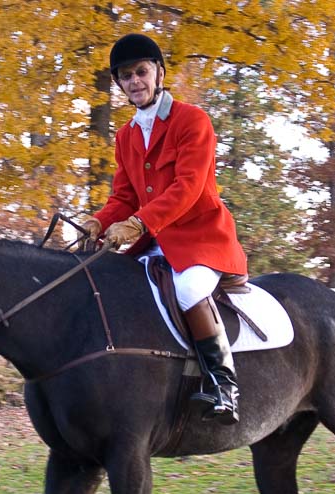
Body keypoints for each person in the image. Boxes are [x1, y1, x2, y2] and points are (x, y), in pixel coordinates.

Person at [83, 33, 247, 425]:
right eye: (126, 76)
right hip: (154, 244)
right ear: (120, 84)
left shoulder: (192, 121)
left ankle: (225, 385)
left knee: (190, 289)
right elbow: (123, 196)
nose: (135, 81)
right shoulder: (125, 136)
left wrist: (139, 223)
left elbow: (188, 187)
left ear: (158, 73)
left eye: (141, 71)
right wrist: (98, 221)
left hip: (201, 240)